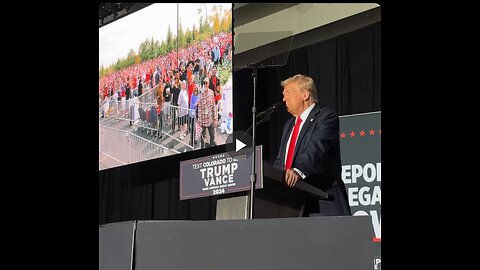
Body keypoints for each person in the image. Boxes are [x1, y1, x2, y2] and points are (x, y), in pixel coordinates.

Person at [273, 74, 351, 217]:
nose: (284, 99)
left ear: (305, 94)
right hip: (292, 202)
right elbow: (281, 160)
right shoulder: (289, 125)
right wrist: (274, 181)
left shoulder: (326, 117)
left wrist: (298, 169)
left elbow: (316, 147)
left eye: (288, 93)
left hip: (322, 199)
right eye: (283, 95)